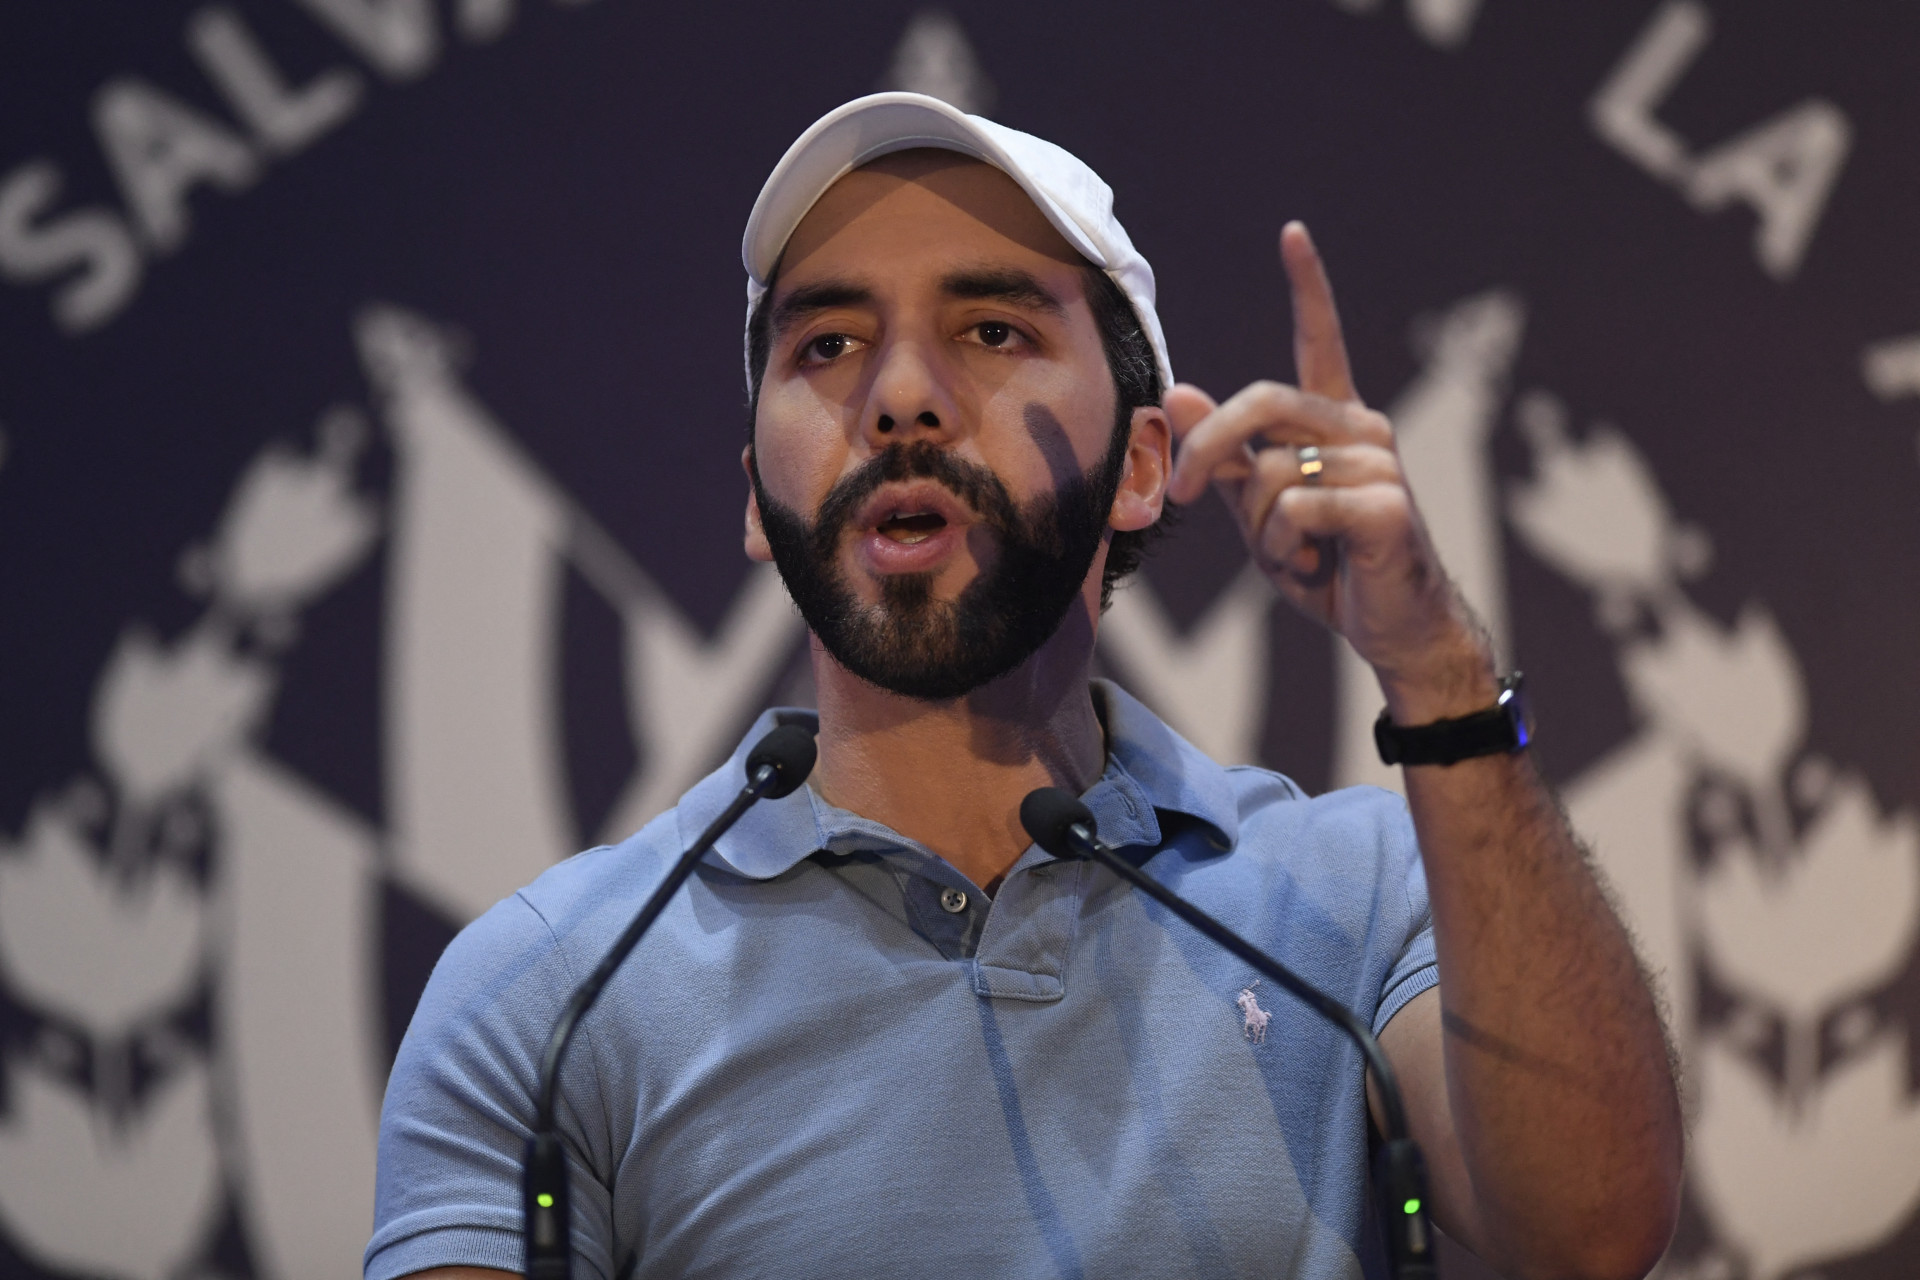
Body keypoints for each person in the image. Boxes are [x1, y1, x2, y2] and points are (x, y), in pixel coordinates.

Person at [367, 93, 1682, 1280]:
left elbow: (1589, 1232)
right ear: (757, 498)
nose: (898, 397)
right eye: (825, 345)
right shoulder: (549, 991)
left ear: (1142, 464)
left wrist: (1433, 660)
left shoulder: (1355, 895)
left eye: (991, 329)